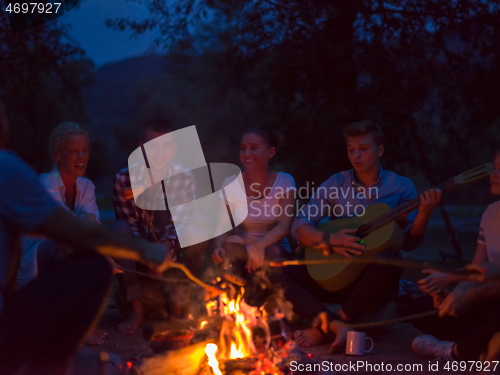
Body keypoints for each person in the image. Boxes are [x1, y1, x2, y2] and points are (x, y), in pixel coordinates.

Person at [0, 101, 169, 375]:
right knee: (90, 264)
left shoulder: (86, 187)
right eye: (73, 152)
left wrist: (104, 247)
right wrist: (145, 251)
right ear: (57, 155)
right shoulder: (20, 173)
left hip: (25, 295)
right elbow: (73, 235)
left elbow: (90, 224)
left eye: (84, 151)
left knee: (105, 241)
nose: (81, 157)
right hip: (36, 273)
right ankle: (54, 359)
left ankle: (132, 311)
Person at [276, 120, 441, 350]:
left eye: (363, 148)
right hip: (334, 272)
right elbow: (300, 223)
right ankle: (336, 325)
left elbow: (411, 242)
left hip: (371, 281)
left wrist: (424, 213)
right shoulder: (335, 183)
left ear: (380, 150)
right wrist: (331, 239)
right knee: (275, 267)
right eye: (351, 149)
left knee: (390, 261)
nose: (356, 155)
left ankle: (328, 326)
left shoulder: (402, 187)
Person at [112, 118, 207, 335]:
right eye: (153, 146)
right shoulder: (124, 179)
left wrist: (164, 252)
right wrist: (149, 255)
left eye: (166, 146)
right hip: (139, 259)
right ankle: (136, 310)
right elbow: (128, 228)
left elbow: (179, 225)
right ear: (140, 148)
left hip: (171, 258)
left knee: (197, 233)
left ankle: (177, 308)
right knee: (118, 231)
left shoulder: (184, 178)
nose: (159, 152)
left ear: (174, 149)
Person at [410, 150, 500, 362]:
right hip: (490, 299)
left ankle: (456, 351)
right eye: (494, 167)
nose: (494, 174)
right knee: (422, 309)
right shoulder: (490, 214)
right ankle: (485, 343)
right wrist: (452, 297)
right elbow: (477, 267)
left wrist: (452, 277)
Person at [211, 126, 296, 277]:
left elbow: (284, 226)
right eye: (243, 148)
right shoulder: (231, 183)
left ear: (271, 152)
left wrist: (260, 245)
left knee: (272, 250)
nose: (246, 153)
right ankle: (238, 287)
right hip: (241, 257)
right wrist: (218, 247)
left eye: (254, 148)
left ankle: (265, 291)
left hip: (273, 254)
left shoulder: (284, 181)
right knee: (233, 240)